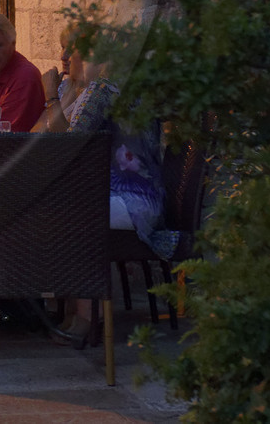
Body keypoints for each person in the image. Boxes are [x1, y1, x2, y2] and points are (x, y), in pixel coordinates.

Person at [33, 20, 174, 345]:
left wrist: (50, 99)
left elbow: (66, 145)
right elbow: (39, 137)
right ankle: (69, 309)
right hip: (115, 195)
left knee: (65, 213)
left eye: (73, 48)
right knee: (56, 206)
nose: (65, 56)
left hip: (133, 201)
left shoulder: (106, 89)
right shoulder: (90, 89)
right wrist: (65, 92)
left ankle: (87, 315)